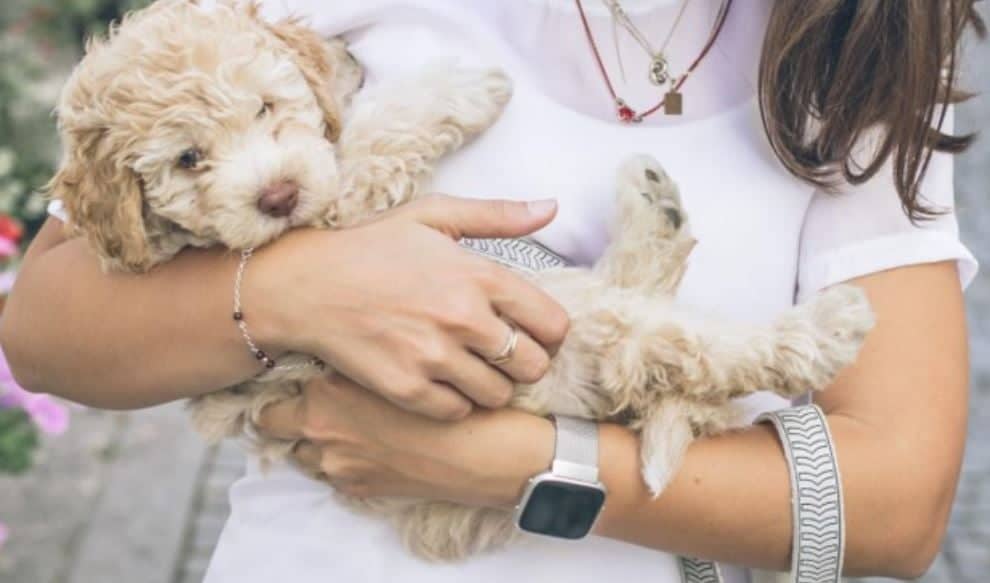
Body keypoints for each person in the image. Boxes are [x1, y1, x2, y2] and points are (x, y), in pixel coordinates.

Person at [1, 0, 981, 581]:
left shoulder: (861, 43)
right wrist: (296, 288)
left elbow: (899, 499)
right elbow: (46, 326)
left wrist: (510, 461)